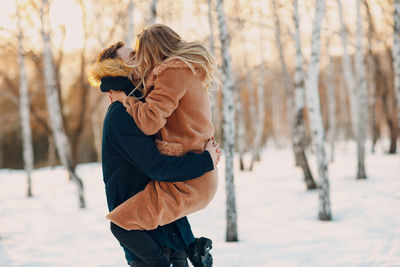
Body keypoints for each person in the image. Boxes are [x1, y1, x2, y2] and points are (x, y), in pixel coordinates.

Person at [88, 42, 220, 266]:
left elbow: (162, 185)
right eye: (132, 56)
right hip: (144, 236)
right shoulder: (121, 115)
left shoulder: (143, 108)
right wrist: (205, 161)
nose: (140, 57)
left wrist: (189, 244)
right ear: (119, 69)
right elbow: (158, 168)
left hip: (167, 229)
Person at [106, 24, 220, 235]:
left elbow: (150, 123)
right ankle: (191, 250)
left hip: (188, 179)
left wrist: (125, 99)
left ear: (153, 51)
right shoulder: (186, 70)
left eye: (140, 54)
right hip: (193, 175)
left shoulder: (172, 73)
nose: (140, 61)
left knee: (122, 223)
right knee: (150, 226)